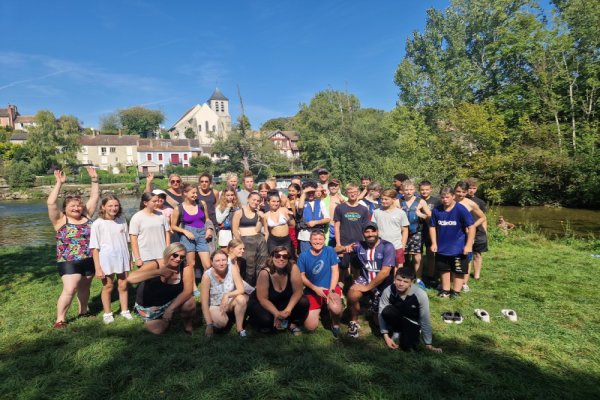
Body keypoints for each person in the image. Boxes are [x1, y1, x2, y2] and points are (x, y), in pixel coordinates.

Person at [47, 167, 99, 329]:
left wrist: (95, 180)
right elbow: (50, 202)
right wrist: (59, 183)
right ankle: (60, 319)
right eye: (72, 206)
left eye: (78, 205)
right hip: (68, 260)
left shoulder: (87, 215)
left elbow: (95, 197)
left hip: (89, 258)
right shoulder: (60, 220)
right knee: (70, 288)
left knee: (85, 287)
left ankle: (84, 310)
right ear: (65, 208)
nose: (76, 208)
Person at [128, 243, 195, 334]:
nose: (178, 259)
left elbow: (187, 291)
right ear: (168, 253)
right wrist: (159, 272)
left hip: (169, 302)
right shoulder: (156, 264)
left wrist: (170, 309)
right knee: (158, 331)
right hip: (150, 306)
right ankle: (160, 319)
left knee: (190, 302)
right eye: (175, 255)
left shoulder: (185, 267)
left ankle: (188, 326)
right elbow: (131, 278)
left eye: (182, 257)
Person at [344, 222, 395, 338]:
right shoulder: (358, 245)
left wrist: (367, 288)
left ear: (378, 232)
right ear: (363, 234)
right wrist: (345, 247)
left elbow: (385, 272)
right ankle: (354, 322)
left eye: (373, 231)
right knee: (352, 294)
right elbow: (337, 250)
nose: (370, 234)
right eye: (367, 231)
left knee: (378, 322)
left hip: (383, 283)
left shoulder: (388, 246)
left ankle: (374, 308)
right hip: (364, 279)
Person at [90, 195, 133, 324]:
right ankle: (107, 313)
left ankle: (125, 310)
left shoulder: (121, 220)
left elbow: (127, 241)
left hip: (123, 257)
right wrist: (98, 267)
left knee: (123, 285)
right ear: (103, 207)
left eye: (116, 205)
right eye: (110, 205)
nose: (113, 208)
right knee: (108, 286)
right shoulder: (98, 224)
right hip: (106, 259)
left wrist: (130, 258)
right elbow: (95, 248)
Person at [247, 246, 309, 335]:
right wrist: (276, 313)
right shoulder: (265, 273)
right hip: (263, 303)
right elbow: (262, 299)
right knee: (266, 321)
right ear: (272, 257)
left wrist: (288, 310)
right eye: (277, 256)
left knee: (304, 301)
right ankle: (256, 321)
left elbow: (298, 291)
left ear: (288, 258)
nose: (281, 259)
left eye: (285, 256)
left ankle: (292, 324)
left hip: (283, 302)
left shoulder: (293, 268)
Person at [378, 268, 441, 353]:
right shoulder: (388, 290)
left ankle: (410, 335)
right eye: (398, 280)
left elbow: (425, 319)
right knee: (386, 311)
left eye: (405, 281)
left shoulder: (420, 294)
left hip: (413, 323)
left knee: (407, 347)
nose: (401, 284)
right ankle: (397, 331)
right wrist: (386, 337)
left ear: (412, 282)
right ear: (394, 279)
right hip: (398, 318)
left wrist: (428, 344)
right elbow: (381, 313)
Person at [429, 186, 475, 298]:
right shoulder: (436, 210)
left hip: (458, 247)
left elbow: (472, 226)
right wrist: (434, 243)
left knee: (458, 270)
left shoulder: (460, 209)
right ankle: (445, 290)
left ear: (453, 196)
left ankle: (456, 292)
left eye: (447, 197)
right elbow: (432, 227)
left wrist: (468, 245)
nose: (445, 200)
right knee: (444, 269)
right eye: (443, 197)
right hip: (442, 247)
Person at [297, 230, 343, 337]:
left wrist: (331, 290)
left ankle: (335, 324)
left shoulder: (330, 250)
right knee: (310, 327)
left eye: (320, 239)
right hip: (313, 291)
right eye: (315, 239)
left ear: (324, 240)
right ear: (310, 241)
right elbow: (301, 276)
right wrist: (315, 288)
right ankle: (323, 309)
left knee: (336, 309)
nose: (318, 242)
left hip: (330, 287)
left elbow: (335, 271)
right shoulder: (303, 256)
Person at [200, 250, 249, 338]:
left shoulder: (232, 268)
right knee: (222, 323)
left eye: (224, 260)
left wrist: (227, 295)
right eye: (217, 261)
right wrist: (209, 325)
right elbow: (204, 302)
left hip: (230, 301)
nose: (221, 263)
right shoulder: (207, 276)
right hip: (216, 305)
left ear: (227, 260)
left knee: (241, 299)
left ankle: (240, 328)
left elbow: (241, 289)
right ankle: (214, 319)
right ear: (212, 262)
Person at [170, 183, 213, 275]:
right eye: (193, 193)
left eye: (196, 193)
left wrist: (209, 229)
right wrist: (185, 231)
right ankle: (192, 287)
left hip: (202, 235)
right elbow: (173, 226)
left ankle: (208, 284)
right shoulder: (179, 208)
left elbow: (207, 219)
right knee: (190, 264)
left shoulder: (201, 204)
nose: (196, 195)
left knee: (207, 265)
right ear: (185, 193)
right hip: (187, 237)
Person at [334, 183, 370, 283]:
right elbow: (337, 226)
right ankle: (341, 289)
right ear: (346, 193)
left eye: (355, 192)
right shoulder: (340, 208)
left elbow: (366, 228)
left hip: (358, 243)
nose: (353, 194)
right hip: (344, 242)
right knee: (343, 266)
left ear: (358, 193)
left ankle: (355, 287)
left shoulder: (363, 209)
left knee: (357, 267)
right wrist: (338, 243)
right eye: (350, 192)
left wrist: (365, 243)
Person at [454, 181, 487, 291]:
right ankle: (449, 280)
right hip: (452, 234)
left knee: (466, 259)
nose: (461, 194)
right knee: (451, 257)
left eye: (463, 192)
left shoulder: (470, 203)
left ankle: (464, 283)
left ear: (467, 192)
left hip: (465, 235)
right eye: (458, 191)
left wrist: (472, 226)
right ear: (454, 191)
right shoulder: (449, 201)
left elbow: (482, 217)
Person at [231, 192, 268, 286]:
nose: (255, 202)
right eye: (254, 199)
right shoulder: (239, 212)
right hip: (245, 241)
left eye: (258, 201)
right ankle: (248, 288)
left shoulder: (258, 213)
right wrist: (240, 242)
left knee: (261, 264)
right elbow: (235, 229)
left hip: (259, 240)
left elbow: (257, 229)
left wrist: (260, 219)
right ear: (248, 199)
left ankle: (259, 286)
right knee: (249, 266)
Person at [400, 180, 431, 288]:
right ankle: (402, 277)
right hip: (402, 232)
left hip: (416, 232)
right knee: (402, 255)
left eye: (411, 189)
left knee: (417, 256)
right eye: (406, 190)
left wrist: (421, 214)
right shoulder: (398, 202)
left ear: (414, 190)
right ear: (402, 191)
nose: (408, 192)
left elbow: (430, 216)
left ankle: (418, 278)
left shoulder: (420, 201)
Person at [130, 192, 171, 268]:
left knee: (161, 278)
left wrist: (167, 251)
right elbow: (133, 239)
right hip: (145, 256)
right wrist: (137, 258)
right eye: (154, 201)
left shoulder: (161, 215)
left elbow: (167, 233)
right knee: (147, 278)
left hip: (161, 255)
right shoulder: (137, 217)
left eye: (158, 201)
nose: (157, 203)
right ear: (145, 203)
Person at [373, 189, 409, 267]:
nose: (383, 201)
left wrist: (403, 245)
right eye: (382, 199)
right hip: (381, 246)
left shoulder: (401, 213)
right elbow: (374, 229)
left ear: (394, 199)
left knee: (398, 266)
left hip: (397, 245)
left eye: (386, 199)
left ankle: (396, 279)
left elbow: (405, 230)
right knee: (381, 266)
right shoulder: (376, 212)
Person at [297, 181, 331, 254]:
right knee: (306, 258)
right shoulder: (300, 202)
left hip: (318, 236)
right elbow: (300, 208)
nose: (311, 194)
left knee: (320, 257)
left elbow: (328, 219)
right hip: (305, 237)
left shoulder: (320, 202)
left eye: (313, 191)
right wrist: (304, 192)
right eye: (308, 192)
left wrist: (316, 222)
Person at [465, 177, 488, 282]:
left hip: (479, 231)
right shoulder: (461, 200)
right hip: (465, 231)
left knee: (477, 254)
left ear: (476, 189)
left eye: (474, 188)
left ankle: (477, 276)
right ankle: (465, 276)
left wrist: (485, 231)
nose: (471, 190)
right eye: (470, 188)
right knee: (467, 253)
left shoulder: (480, 202)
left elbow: (483, 218)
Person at [418, 180, 441, 282]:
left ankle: (430, 275)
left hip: (430, 230)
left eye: (427, 190)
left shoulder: (437, 201)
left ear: (431, 190)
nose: (424, 192)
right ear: (419, 190)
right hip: (417, 230)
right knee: (417, 255)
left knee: (430, 253)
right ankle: (417, 275)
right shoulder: (415, 200)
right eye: (422, 190)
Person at [321, 179, 346, 247]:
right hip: (328, 228)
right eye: (332, 185)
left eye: (336, 185)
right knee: (328, 249)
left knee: (341, 249)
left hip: (341, 228)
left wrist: (344, 205)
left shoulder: (345, 199)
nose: (333, 187)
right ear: (328, 187)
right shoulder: (323, 200)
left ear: (339, 187)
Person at [286, 183, 302, 254]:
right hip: (289, 227)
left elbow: (297, 216)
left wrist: (293, 206)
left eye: (293, 191)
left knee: (297, 247)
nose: (291, 193)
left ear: (298, 192)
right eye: (289, 191)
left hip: (298, 227)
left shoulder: (301, 201)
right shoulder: (286, 200)